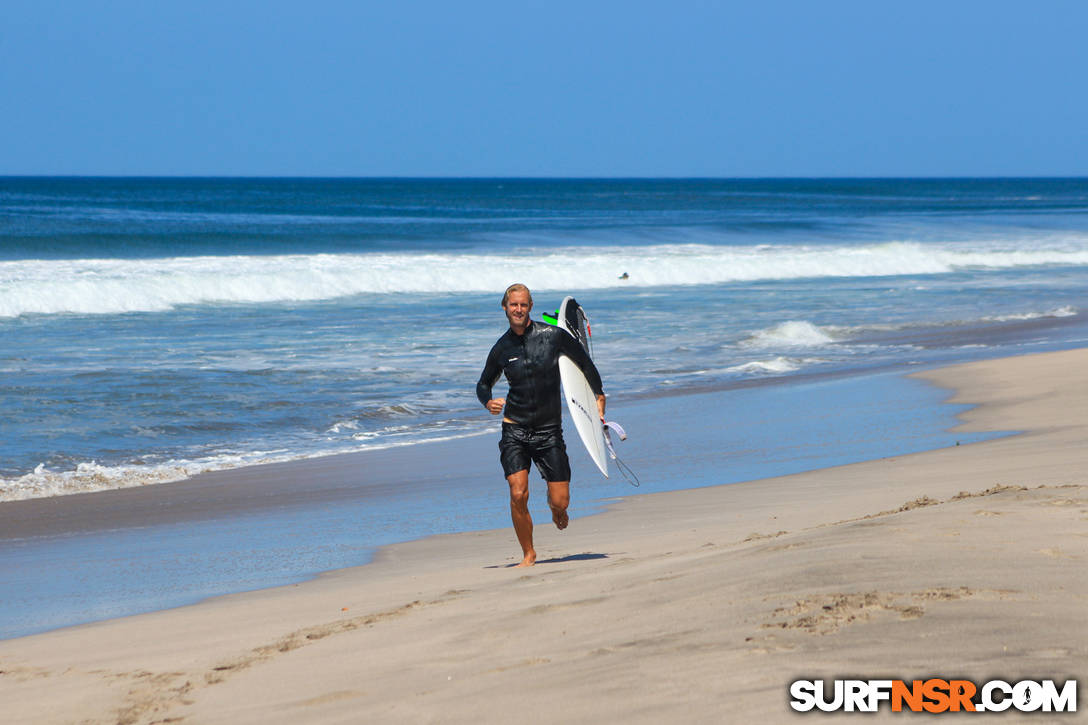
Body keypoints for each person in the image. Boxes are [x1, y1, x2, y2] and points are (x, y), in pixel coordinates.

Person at [476, 283, 606, 567]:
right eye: (513, 305)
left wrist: (598, 394)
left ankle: (555, 508)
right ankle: (529, 553)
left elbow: (584, 363)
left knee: (561, 502)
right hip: (515, 430)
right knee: (517, 492)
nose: (518, 310)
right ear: (505, 308)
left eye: (523, 305)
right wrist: (487, 401)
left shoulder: (553, 336)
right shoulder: (501, 349)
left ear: (530, 307)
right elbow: (483, 384)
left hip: (549, 432)